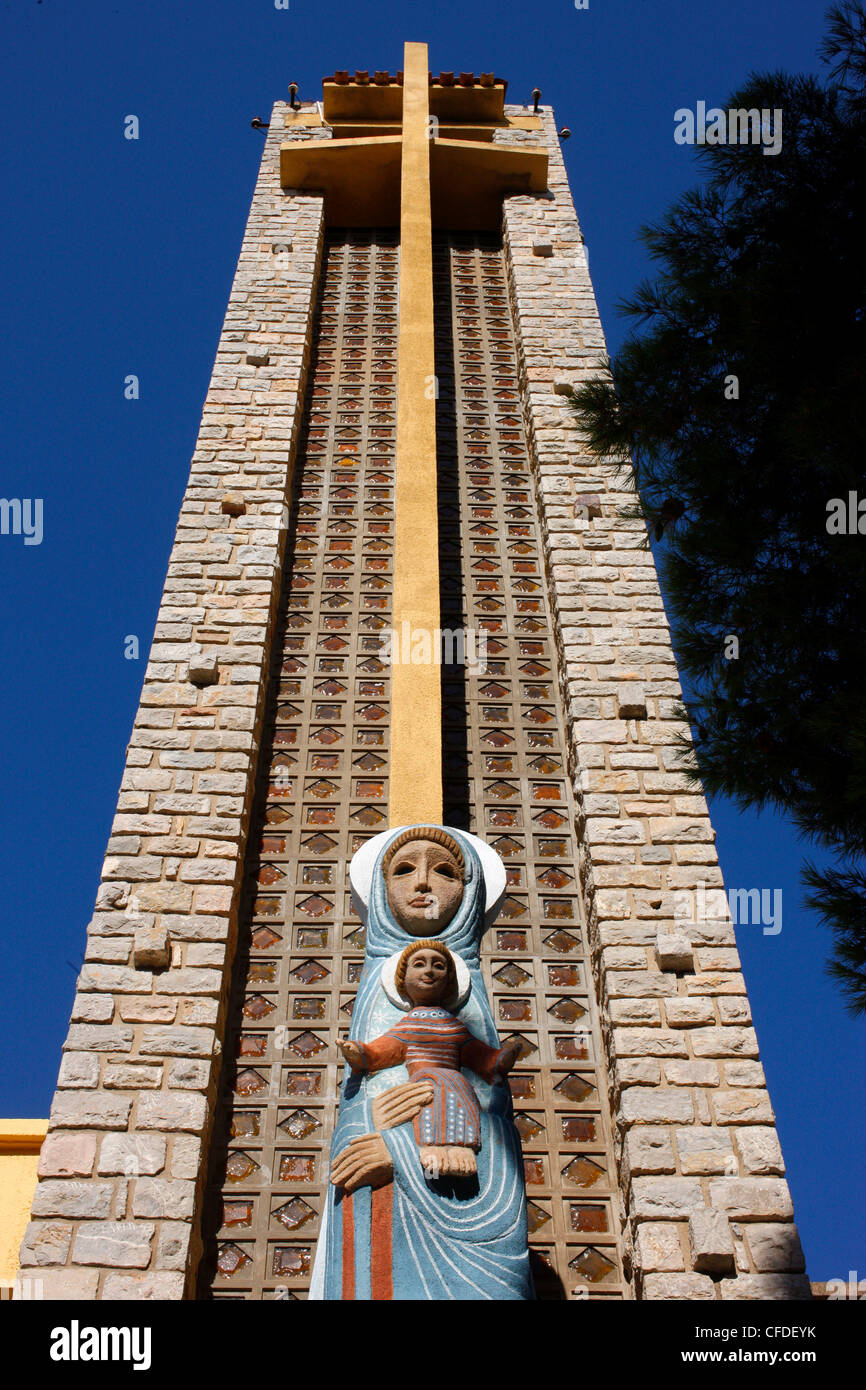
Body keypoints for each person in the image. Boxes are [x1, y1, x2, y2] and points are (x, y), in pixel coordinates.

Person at [315, 824, 534, 1301]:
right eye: (403, 870)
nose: (422, 884)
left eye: (445, 871)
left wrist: (402, 1152)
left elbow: (497, 1129)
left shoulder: (466, 995)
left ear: (470, 889)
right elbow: (355, 1116)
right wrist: (375, 1129)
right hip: (388, 1214)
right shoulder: (377, 988)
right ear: (378, 887)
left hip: (470, 1226)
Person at [338, 939, 521, 1178]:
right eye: (419, 964)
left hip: (456, 1083)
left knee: (456, 1090)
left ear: (449, 982)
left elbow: (475, 1051)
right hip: (423, 1082)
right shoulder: (411, 1023)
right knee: (429, 1090)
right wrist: (361, 1053)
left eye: (438, 966)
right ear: (403, 978)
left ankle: (460, 1146)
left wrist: (498, 1060)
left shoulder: (452, 1024)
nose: (429, 971)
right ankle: (431, 1145)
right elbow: (385, 1049)